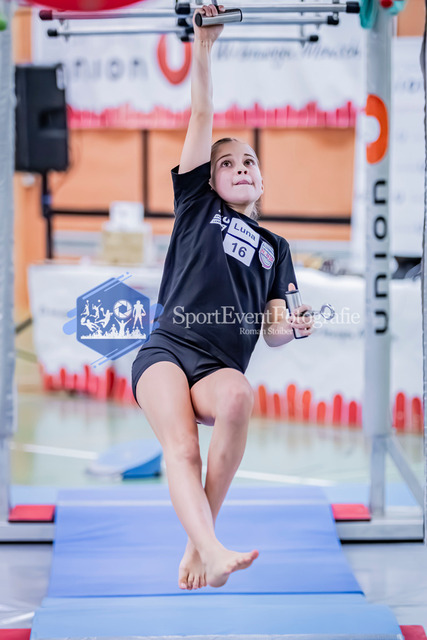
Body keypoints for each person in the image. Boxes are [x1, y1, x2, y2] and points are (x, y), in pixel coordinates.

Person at [131, 4, 314, 592]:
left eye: (249, 162)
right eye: (225, 162)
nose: (239, 167)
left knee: (239, 395)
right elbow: (202, 112)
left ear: (261, 180)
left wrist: (295, 325)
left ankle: (199, 544)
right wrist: (204, 47)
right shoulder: (196, 206)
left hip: (218, 366)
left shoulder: (276, 248)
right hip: (165, 351)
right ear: (207, 179)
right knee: (183, 447)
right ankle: (211, 548)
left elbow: (274, 331)